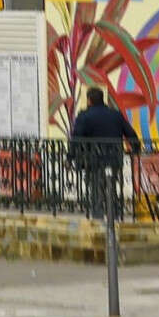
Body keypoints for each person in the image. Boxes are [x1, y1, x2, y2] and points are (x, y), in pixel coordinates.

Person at [67, 85, 142, 224]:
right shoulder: (116, 114)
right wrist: (136, 149)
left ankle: (98, 216)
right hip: (114, 157)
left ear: (89, 100)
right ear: (103, 99)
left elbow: (76, 138)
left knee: (96, 187)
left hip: (94, 159)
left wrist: (70, 157)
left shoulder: (84, 116)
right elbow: (130, 133)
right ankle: (113, 214)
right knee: (111, 185)